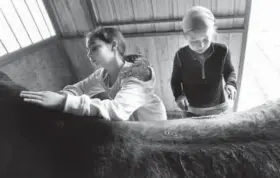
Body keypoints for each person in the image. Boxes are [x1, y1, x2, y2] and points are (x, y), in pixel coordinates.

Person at [20, 27, 167, 121]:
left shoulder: (136, 74)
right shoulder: (102, 74)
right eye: (88, 50)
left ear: (114, 46)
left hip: (154, 124)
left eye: (94, 48)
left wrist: (62, 103)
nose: (89, 55)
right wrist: (62, 95)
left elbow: (118, 110)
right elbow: (80, 89)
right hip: (134, 125)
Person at [171, 6, 237, 117]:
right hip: (191, 109)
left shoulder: (222, 51)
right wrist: (179, 96)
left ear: (212, 33)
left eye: (205, 39)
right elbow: (175, 80)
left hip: (218, 107)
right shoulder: (180, 55)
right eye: (194, 40)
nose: (201, 45)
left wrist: (231, 84)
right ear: (185, 37)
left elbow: (229, 71)